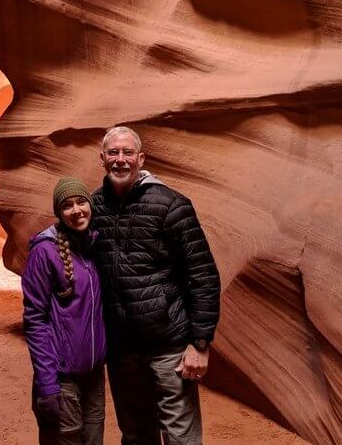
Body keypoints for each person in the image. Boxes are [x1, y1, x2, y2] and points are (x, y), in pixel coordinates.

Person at [91, 126, 221, 445]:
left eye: (128, 153)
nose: (120, 160)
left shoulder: (171, 205)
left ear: (141, 158)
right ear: (102, 158)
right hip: (122, 349)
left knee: (180, 437)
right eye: (113, 153)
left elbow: (202, 274)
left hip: (169, 345)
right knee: (136, 435)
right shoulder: (93, 208)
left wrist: (200, 343)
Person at [22, 177, 107, 445]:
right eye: (67, 206)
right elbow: (34, 320)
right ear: (59, 213)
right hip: (61, 378)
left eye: (81, 201)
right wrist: (47, 385)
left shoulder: (94, 246)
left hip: (94, 374)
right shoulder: (45, 252)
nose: (76, 210)